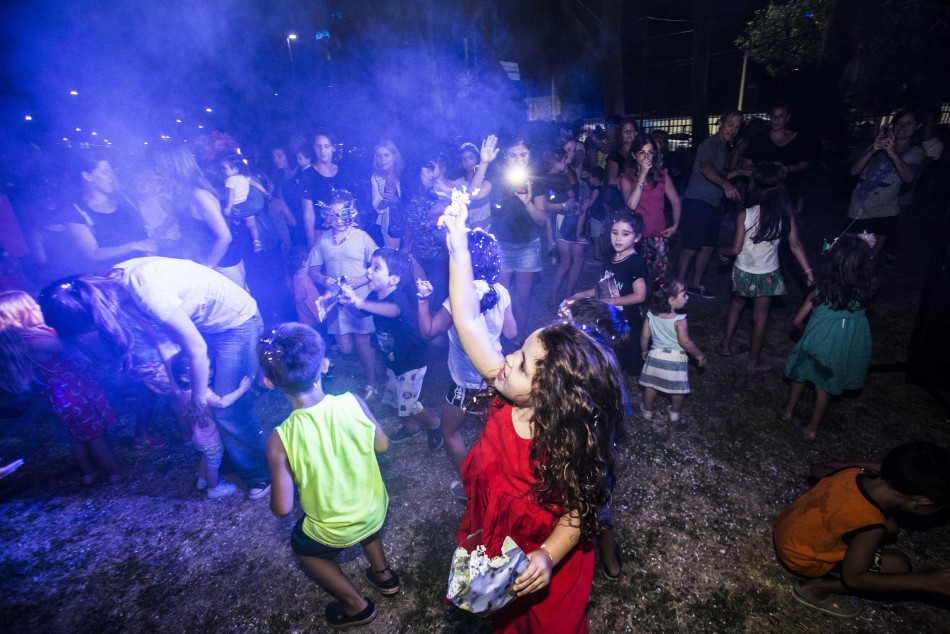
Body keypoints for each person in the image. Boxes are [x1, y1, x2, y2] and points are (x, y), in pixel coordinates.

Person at [439, 196, 625, 632]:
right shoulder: (508, 390)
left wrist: (547, 555)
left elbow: (577, 513)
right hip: (497, 534)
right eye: (518, 351)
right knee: (504, 617)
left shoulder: (567, 444)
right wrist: (459, 249)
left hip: (542, 551)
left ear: (553, 397)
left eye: (522, 364)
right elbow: (466, 320)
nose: (506, 359)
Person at [40, 259, 271, 498]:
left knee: (227, 408)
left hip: (236, 325)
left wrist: (197, 397)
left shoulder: (146, 291)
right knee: (213, 404)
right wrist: (177, 388)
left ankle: (260, 473)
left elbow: (197, 349)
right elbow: (163, 342)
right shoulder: (116, 289)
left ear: (95, 317)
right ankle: (233, 458)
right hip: (208, 328)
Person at [260, 323, 399, 630]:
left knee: (303, 547)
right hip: (374, 509)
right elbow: (382, 444)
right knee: (364, 522)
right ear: (324, 364)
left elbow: (282, 508)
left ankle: (356, 606)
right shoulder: (353, 401)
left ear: (268, 382)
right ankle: (384, 575)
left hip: (335, 527)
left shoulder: (279, 439)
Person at [773, 442, 950, 619]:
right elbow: (854, 578)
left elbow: (816, 469)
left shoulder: (852, 473)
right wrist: (925, 581)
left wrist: (870, 466)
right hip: (802, 559)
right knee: (898, 565)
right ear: (923, 502)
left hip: (787, 531)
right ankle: (816, 589)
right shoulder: (872, 525)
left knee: (891, 527)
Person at [416, 229, 516, 496]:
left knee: (449, 432)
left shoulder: (457, 299)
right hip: (496, 377)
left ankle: (473, 488)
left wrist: (423, 301)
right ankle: (502, 484)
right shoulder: (501, 291)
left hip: (466, 382)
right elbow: (511, 332)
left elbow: (428, 331)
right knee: (497, 436)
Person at [0, 290, 121, 486]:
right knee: (95, 436)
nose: (38, 307)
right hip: (74, 394)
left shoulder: (27, 337)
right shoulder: (34, 340)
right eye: (32, 306)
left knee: (79, 436)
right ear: (20, 315)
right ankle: (115, 472)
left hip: (66, 394)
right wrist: (102, 324)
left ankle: (89, 473)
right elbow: (71, 344)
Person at [339, 248, 442, 448]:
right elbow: (362, 313)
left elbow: (393, 311)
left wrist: (359, 302)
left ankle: (433, 423)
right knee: (396, 397)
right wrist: (349, 305)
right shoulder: (375, 294)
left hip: (412, 361)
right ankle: (411, 427)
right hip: (394, 360)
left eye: (376, 268)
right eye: (370, 266)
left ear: (393, 280)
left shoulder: (398, 298)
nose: (369, 271)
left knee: (409, 403)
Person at [718, 162, 814, 372]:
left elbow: (735, 248)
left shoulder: (746, 213)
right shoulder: (785, 214)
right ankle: (753, 362)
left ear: (755, 186)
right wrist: (809, 272)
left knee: (737, 304)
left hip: (743, 271)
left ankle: (725, 345)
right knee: (760, 317)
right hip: (767, 273)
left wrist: (721, 251)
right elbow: (795, 244)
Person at [780, 235, 873, 439]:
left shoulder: (821, 291)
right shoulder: (864, 295)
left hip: (814, 344)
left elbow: (797, 321)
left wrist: (806, 332)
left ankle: (788, 411)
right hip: (839, 350)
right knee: (824, 388)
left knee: (799, 376)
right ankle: (812, 428)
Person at [306, 190, 379, 399]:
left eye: (343, 214)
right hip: (336, 300)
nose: (338, 220)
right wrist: (322, 279)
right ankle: (375, 356)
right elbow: (312, 270)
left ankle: (372, 382)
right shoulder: (323, 240)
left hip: (359, 299)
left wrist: (361, 279)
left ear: (352, 213)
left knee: (362, 341)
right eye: (334, 215)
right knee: (346, 348)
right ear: (327, 215)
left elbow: (380, 263)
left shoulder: (362, 237)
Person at [676, 110, 750, 299]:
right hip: (697, 202)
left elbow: (720, 173)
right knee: (691, 247)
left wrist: (739, 171)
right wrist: (726, 185)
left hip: (713, 204)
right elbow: (706, 167)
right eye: (730, 125)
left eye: (737, 127)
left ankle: (695, 284)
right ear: (721, 123)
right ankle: (677, 288)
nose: (732, 130)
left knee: (708, 246)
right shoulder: (710, 144)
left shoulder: (723, 147)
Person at [571, 209, 648, 375]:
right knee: (609, 357)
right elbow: (603, 286)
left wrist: (610, 301)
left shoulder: (635, 262)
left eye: (625, 234)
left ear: (636, 238)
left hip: (628, 321)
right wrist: (584, 294)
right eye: (615, 233)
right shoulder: (609, 258)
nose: (618, 238)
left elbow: (640, 296)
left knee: (630, 361)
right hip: (610, 316)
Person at [154, 145, 242, 286]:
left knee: (236, 300)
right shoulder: (183, 192)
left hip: (222, 264)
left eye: (160, 166)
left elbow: (225, 237)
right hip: (204, 259)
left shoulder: (199, 195)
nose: (157, 170)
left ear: (172, 167)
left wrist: (207, 268)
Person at [847, 108, 924, 265]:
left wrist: (893, 153)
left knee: (870, 257)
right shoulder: (878, 145)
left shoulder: (915, 152)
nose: (902, 127)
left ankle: (866, 280)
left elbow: (909, 177)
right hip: (859, 208)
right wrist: (872, 150)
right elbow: (854, 171)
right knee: (852, 254)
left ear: (917, 127)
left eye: (909, 123)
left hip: (884, 212)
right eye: (899, 122)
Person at [489, 135, 548, 340]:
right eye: (513, 155)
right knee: (500, 297)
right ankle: (497, 339)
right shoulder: (497, 179)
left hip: (527, 247)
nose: (518, 160)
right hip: (501, 245)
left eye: (523, 154)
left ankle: (519, 339)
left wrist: (527, 202)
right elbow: (476, 194)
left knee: (522, 299)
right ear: (505, 156)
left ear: (530, 155)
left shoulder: (536, 180)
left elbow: (542, 220)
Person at [169, 352, 250, 500]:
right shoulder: (202, 393)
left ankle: (202, 480)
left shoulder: (185, 392)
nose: (210, 372)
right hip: (211, 439)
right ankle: (214, 488)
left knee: (205, 457)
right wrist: (242, 389)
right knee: (213, 464)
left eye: (210, 367)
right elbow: (221, 403)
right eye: (203, 369)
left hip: (199, 437)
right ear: (185, 377)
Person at [62, 154, 157, 275]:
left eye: (112, 171)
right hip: (107, 278)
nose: (111, 176)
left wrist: (150, 255)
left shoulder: (123, 200)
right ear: (87, 176)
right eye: (105, 172)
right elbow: (93, 253)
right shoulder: (76, 211)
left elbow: (143, 235)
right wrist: (133, 246)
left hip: (140, 272)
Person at [638, 277, 707, 423]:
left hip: (655, 356)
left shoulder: (650, 315)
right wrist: (699, 354)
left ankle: (648, 411)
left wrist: (644, 350)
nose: (687, 297)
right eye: (684, 295)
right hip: (676, 359)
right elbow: (685, 342)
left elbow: (644, 336)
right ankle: (674, 413)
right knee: (678, 389)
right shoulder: (680, 320)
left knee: (651, 385)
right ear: (671, 300)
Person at [621, 134, 682, 281]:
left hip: (658, 237)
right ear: (634, 155)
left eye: (650, 152)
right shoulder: (626, 178)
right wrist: (641, 176)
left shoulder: (662, 176)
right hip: (636, 238)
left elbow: (676, 201)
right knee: (637, 282)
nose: (646, 157)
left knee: (659, 282)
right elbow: (631, 205)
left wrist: (675, 226)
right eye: (642, 153)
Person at [543, 147, 584, 306]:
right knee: (568, 262)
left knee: (577, 259)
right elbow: (571, 197)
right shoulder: (558, 178)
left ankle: (565, 296)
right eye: (564, 158)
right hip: (565, 220)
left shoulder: (552, 176)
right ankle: (556, 297)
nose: (567, 159)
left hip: (568, 219)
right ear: (556, 162)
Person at [368, 139, 404, 249]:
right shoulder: (376, 178)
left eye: (386, 155)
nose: (382, 159)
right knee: (392, 254)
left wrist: (396, 199)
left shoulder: (404, 174)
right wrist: (387, 201)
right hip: (391, 224)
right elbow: (377, 205)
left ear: (394, 157)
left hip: (410, 223)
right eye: (379, 156)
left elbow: (411, 199)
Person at [453, 141, 495, 232]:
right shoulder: (458, 183)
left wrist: (485, 221)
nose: (468, 162)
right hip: (466, 230)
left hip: (488, 229)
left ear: (478, 158)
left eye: (471, 157)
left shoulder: (487, 181)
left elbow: (497, 208)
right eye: (464, 159)